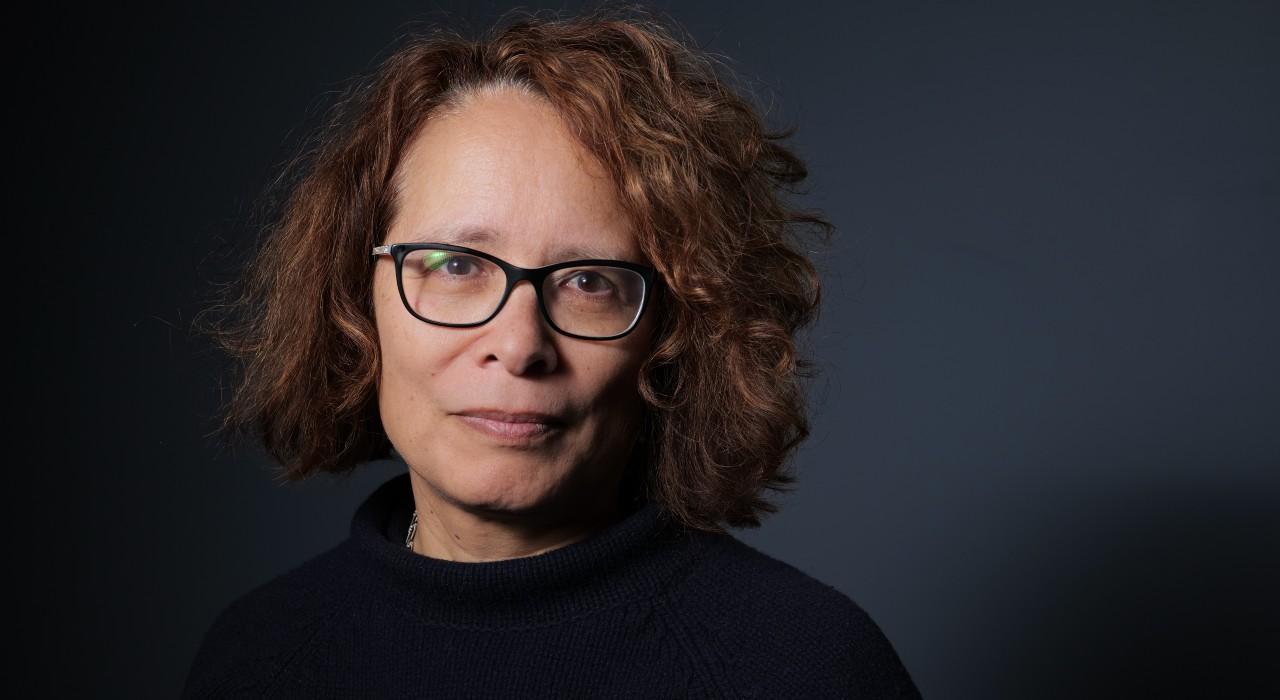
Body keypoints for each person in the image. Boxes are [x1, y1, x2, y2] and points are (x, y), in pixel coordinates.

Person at [183, 8, 921, 699]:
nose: (519, 346)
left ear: (674, 334)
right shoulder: (255, 659)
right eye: (456, 265)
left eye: (588, 282)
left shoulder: (806, 668)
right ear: (354, 298)